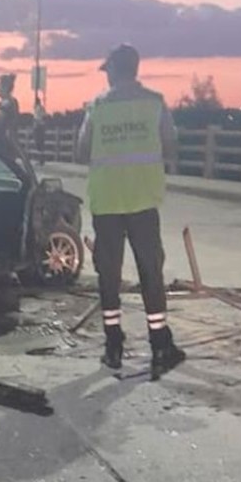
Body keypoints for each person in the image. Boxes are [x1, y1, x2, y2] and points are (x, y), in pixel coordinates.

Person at [76, 43, 186, 381]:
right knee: (150, 271)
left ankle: (113, 346)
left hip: (107, 201)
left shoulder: (97, 107)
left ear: (113, 70)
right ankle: (159, 345)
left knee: (109, 273)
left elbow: (81, 153)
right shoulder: (154, 104)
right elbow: (171, 147)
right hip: (142, 199)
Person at [0, 73, 30, 177]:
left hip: (4, 145)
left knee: (3, 172)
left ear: (4, 87)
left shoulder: (7, 103)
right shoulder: (4, 103)